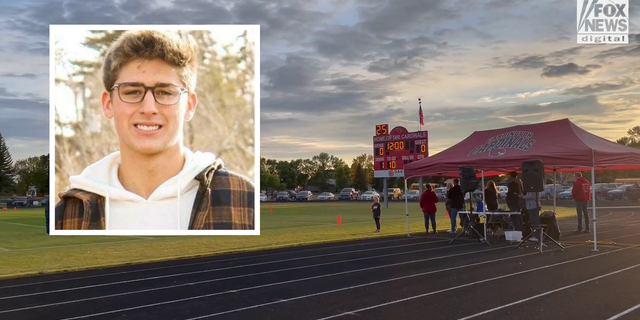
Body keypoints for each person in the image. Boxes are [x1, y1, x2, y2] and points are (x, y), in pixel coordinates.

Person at [55, 30, 254, 231]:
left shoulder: (243, 200)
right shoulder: (69, 213)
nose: (148, 108)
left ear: (189, 105)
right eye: (132, 92)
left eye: (165, 92)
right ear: (108, 104)